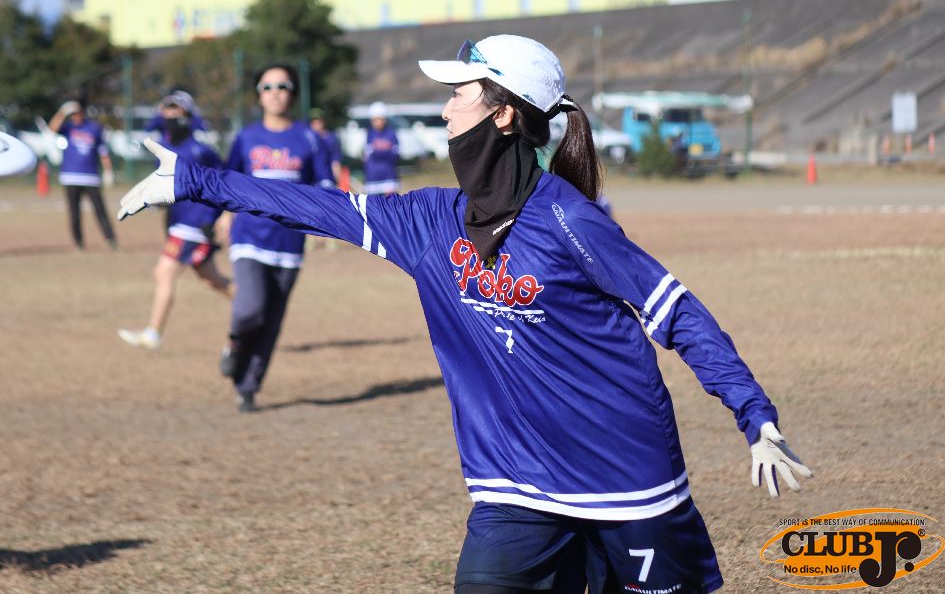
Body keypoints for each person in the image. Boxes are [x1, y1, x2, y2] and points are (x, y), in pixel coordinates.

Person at [119, 35, 813, 592]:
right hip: (514, 489)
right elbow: (316, 207)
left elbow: (676, 312)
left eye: (458, 93)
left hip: (626, 481)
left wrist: (752, 414)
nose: (446, 110)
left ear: (503, 113)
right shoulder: (429, 221)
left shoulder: (571, 221)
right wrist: (194, 180)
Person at [217, 62, 327, 412]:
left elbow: (324, 186)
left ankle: (247, 387)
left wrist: (324, 224)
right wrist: (224, 214)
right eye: (267, 87)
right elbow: (228, 180)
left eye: (282, 86)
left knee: (272, 321)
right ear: (258, 96)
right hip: (248, 237)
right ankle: (235, 342)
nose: (275, 93)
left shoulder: (309, 139)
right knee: (250, 308)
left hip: (289, 244)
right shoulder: (246, 137)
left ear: (293, 94)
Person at [117, 93, 234, 351]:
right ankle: (254, 306)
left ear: (188, 115)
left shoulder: (201, 150)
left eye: (177, 109)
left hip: (194, 225)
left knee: (164, 272)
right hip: (179, 222)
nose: (171, 114)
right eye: (167, 109)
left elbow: (224, 183)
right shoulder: (165, 146)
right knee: (210, 279)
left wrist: (220, 216)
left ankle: (153, 333)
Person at [48, 99, 117, 250]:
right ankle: (78, 242)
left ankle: (110, 239)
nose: (75, 116)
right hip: (70, 177)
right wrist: (62, 112)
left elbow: (103, 151)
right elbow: (52, 129)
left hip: (91, 177)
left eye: (77, 113)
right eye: (72, 114)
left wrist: (108, 170)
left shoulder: (94, 128)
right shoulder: (68, 127)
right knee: (74, 212)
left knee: (100, 210)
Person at [362, 101, 399, 194]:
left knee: (391, 201)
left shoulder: (391, 133)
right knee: (372, 202)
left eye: (380, 119)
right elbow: (367, 154)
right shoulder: (369, 134)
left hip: (388, 175)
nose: (378, 122)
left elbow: (395, 154)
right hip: (372, 176)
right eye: (375, 119)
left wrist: (380, 151)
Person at [308, 108, 342, 188]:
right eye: (313, 121)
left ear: (323, 121)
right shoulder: (307, 138)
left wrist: (338, 181)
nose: (315, 124)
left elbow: (335, 162)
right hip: (310, 181)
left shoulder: (330, 139)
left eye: (318, 121)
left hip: (326, 180)